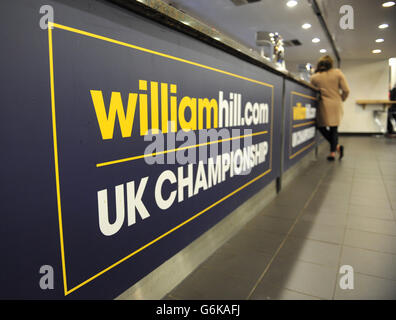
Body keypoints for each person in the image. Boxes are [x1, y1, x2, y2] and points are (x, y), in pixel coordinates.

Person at [310, 55, 350, 161]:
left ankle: (334, 149)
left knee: (320, 126)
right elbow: (346, 90)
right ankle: (334, 151)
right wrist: (341, 98)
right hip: (336, 104)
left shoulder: (315, 77)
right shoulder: (338, 73)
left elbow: (310, 91)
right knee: (334, 128)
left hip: (323, 105)